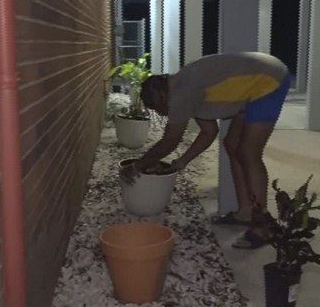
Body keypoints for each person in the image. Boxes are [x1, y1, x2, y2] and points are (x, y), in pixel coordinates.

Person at [120, 51, 291, 249]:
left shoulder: (181, 93)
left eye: (157, 107)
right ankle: (245, 212)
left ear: (160, 93)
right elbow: (209, 132)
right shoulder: (186, 87)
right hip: (254, 83)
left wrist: (138, 166)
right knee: (232, 145)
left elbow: (170, 141)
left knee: (248, 153)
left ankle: (263, 228)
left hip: (269, 80)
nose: (161, 112)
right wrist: (182, 161)